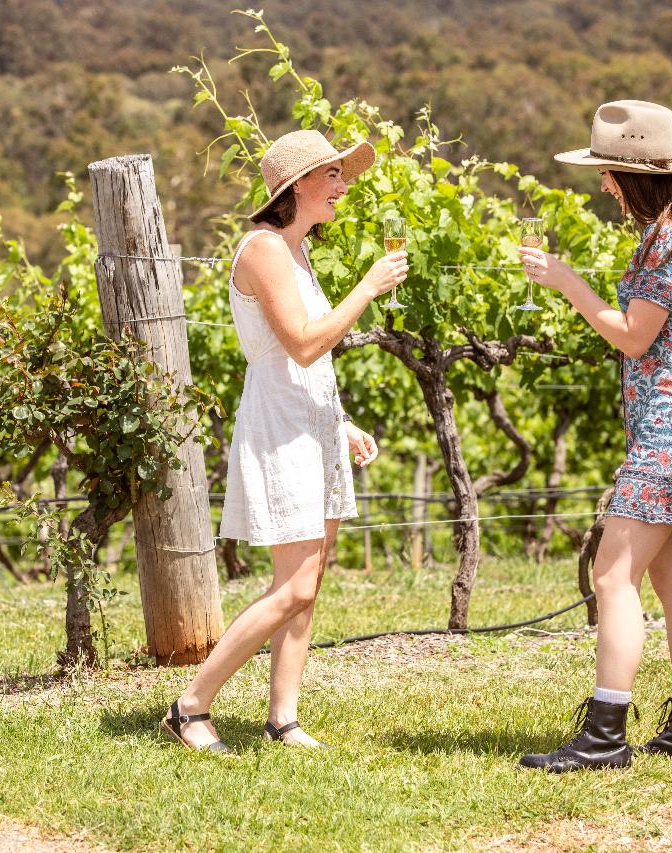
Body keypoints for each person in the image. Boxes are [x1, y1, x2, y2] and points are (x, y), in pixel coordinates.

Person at [161, 129, 408, 751]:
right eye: (333, 175)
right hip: (280, 427)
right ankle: (190, 706)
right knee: (293, 585)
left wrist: (339, 420)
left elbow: (301, 355)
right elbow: (300, 345)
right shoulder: (265, 249)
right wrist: (368, 287)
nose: (343, 186)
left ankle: (283, 719)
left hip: (311, 422)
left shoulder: (294, 252)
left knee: (309, 583)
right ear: (298, 186)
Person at [516, 100, 672, 772]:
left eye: (608, 173)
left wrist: (568, 283)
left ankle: (605, 735)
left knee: (612, 575)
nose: (604, 185)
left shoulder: (667, 236)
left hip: (669, 428)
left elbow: (633, 336)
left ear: (631, 175)